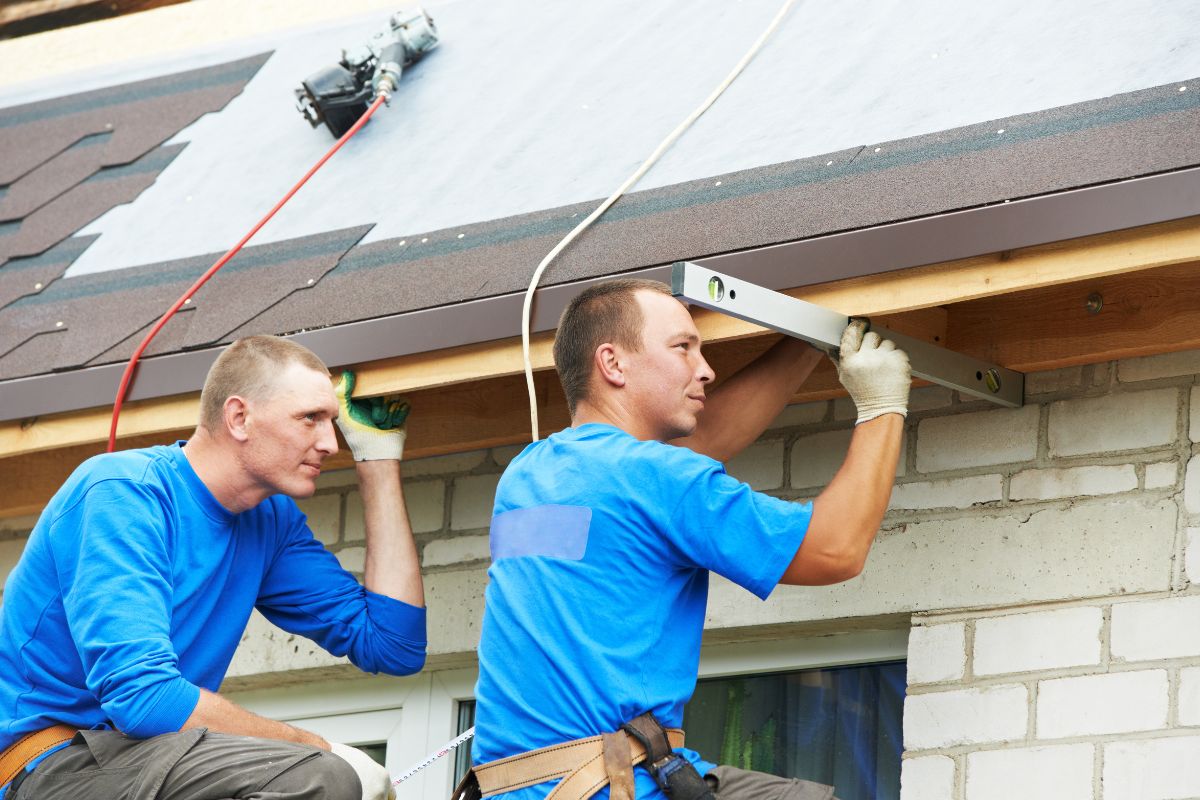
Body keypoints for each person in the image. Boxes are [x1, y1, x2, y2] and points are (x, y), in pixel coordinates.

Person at [462, 278, 910, 800]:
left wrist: (810, 338)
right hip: (609, 786)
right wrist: (882, 407)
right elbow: (835, 549)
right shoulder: (657, 479)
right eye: (682, 348)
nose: (706, 368)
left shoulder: (529, 475)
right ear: (613, 364)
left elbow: (697, 447)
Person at [0, 335, 426, 800]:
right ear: (239, 417)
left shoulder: (270, 523)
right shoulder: (122, 493)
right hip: (47, 767)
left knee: (312, 772)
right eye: (310, 419)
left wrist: (377, 459)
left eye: (334, 423)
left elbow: (394, 644)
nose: (329, 443)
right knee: (318, 774)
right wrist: (324, 749)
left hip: (148, 757)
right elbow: (144, 700)